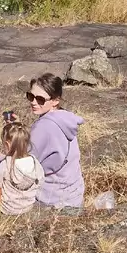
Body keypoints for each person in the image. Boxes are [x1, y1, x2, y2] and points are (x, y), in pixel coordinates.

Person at [26, 74, 84, 210]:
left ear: (55, 100)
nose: (33, 102)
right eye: (30, 96)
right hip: (74, 195)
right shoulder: (65, 118)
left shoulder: (43, 127)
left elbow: (25, 163)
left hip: (52, 199)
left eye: (40, 99)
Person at [0, 120, 44, 215]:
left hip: (7, 209)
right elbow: (41, 180)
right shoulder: (35, 162)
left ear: (7, 144)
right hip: (27, 207)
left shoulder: (6, 164)